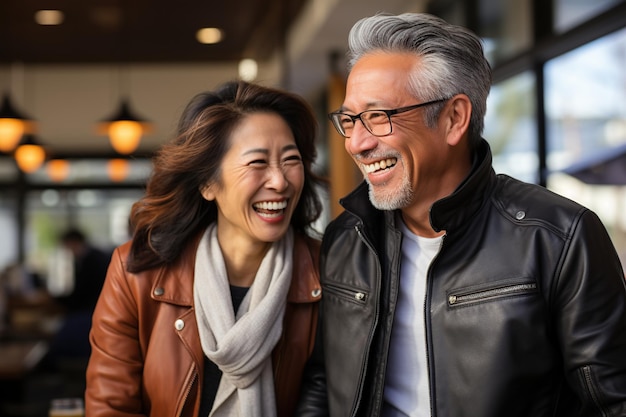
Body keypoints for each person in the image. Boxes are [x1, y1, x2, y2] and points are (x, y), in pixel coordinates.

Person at [295, 12, 626, 417]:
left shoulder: (558, 237)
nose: (357, 144)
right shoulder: (347, 237)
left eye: (378, 117)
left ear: (454, 118)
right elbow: (324, 380)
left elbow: (612, 402)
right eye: (349, 120)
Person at [85, 80, 326, 417]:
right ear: (208, 183)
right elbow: (111, 407)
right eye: (257, 163)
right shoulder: (135, 273)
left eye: (291, 159)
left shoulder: (328, 274)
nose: (280, 181)